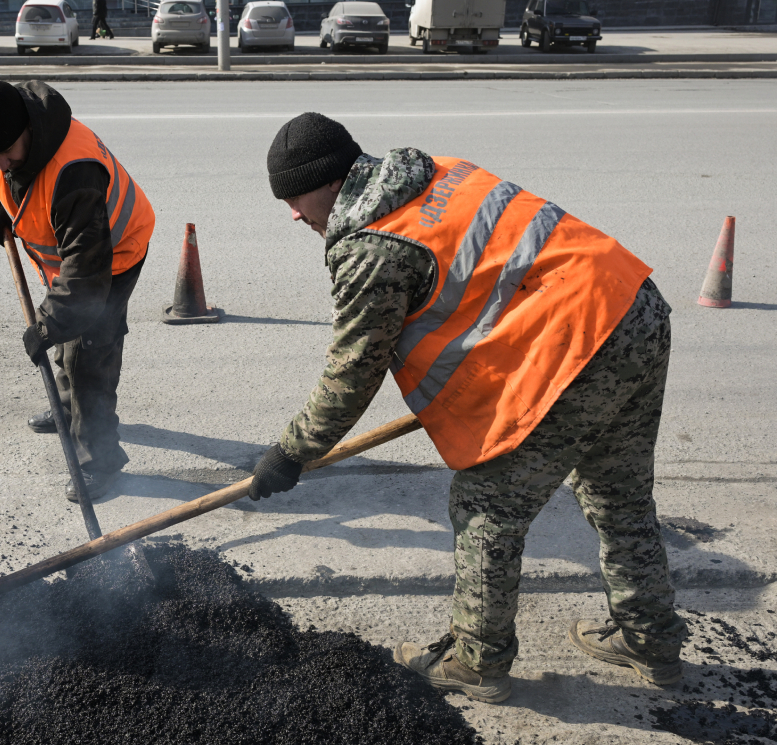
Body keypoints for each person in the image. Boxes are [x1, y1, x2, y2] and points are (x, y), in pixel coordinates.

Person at [250, 112, 687, 704]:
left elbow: (352, 372)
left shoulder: (371, 245)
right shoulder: (437, 173)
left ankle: (477, 661)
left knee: (486, 508)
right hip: (632, 309)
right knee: (619, 491)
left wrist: (290, 453)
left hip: (578, 350)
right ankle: (652, 641)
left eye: (295, 198)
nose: (294, 215)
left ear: (330, 181)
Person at [0, 80, 155, 503]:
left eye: (8, 153)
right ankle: (68, 409)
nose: (1, 163)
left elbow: (84, 278)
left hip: (113, 255)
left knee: (89, 354)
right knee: (69, 338)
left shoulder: (74, 173)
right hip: (65, 260)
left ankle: (99, 461)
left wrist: (45, 328)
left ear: (27, 127)